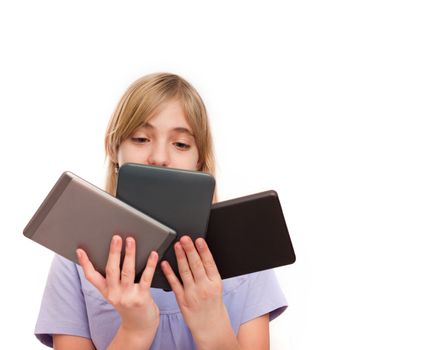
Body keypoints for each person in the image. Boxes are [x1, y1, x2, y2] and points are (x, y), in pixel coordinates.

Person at [34, 73, 288, 349]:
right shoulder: (76, 256)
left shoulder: (248, 250)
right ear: (113, 146)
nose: (159, 158)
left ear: (199, 159)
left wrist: (212, 325)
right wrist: (135, 330)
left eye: (180, 144)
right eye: (141, 139)